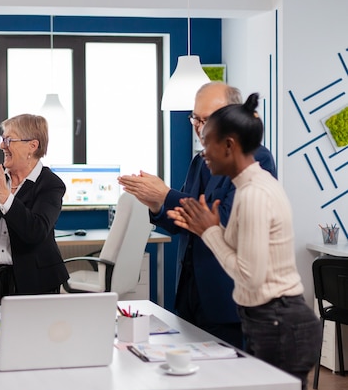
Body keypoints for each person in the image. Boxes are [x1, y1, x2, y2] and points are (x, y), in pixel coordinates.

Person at [167, 93, 322, 389]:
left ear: (229, 145)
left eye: (207, 143)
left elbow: (249, 276)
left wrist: (209, 231)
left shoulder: (253, 195)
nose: (203, 153)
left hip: (279, 323)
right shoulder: (248, 186)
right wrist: (211, 229)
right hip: (269, 319)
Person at [118, 82, 276, 349]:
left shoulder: (255, 158)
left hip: (229, 298)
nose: (200, 127)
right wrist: (156, 204)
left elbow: (226, 220)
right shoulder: (199, 161)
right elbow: (181, 222)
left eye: (208, 119)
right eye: (196, 118)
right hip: (191, 294)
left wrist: (166, 195)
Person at [0, 114, 69, 303]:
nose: (2, 145)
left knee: (31, 333)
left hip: (33, 283)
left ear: (32, 146)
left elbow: (35, 231)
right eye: (2, 139)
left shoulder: (51, 184)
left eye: (9, 140)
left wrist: (3, 195)